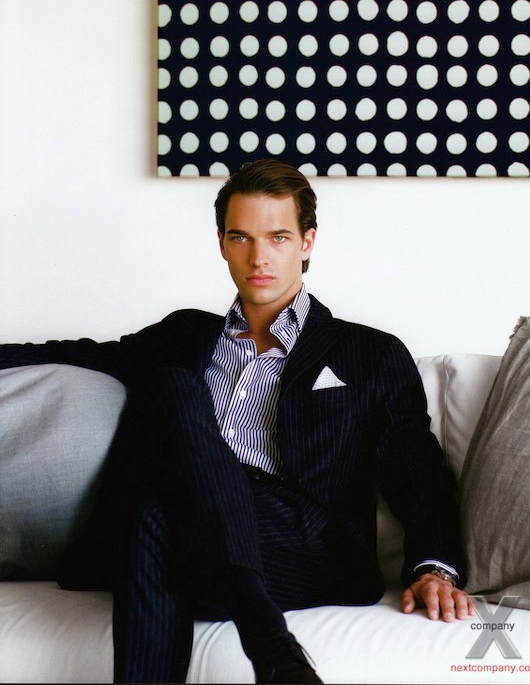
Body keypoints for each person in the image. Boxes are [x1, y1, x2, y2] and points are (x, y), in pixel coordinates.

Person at [0, 159, 472, 683]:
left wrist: (435, 567)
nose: (258, 257)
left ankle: (256, 623)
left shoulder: (370, 353)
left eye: (278, 237)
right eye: (241, 237)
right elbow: (76, 353)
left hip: (300, 540)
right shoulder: (184, 335)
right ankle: (268, 640)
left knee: (157, 513)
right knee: (170, 403)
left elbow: (418, 470)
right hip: (184, 528)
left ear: (307, 242)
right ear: (222, 244)